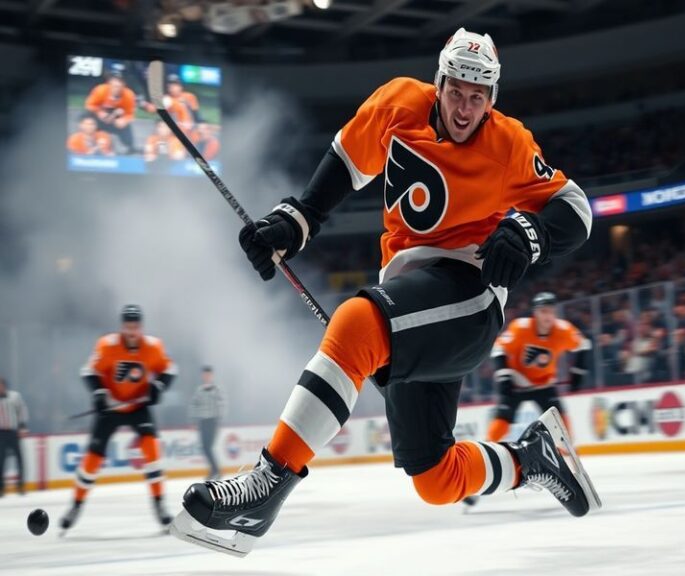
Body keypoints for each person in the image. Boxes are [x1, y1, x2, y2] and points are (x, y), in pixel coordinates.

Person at [171, 28, 600, 556]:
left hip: (469, 297)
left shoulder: (507, 143)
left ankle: (268, 482)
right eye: (456, 92)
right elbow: (346, 161)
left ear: (491, 99)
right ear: (439, 84)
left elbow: (576, 209)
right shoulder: (398, 104)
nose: (464, 108)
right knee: (436, 477)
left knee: (357, 322)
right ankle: (532, 458)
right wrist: (299, 220)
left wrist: (532, 234)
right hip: (416, 301)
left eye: (477, 97)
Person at [463, 292, 591, 506]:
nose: (547, 316)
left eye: (550, 311)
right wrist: (504, 376)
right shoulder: (521, 328)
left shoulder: (563, 330)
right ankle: (478, 479)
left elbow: (583, 345)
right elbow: (499, 349)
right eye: (543, 311)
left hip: (544, 386)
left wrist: (578, 370)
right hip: (516, 384)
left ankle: (576, 478)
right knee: (498, 429)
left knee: (562, 430)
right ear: (535, 313)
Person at [60, 305, 178, 532]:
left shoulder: (153, 347)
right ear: (122, 327)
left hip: (138, 406)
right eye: (128, 327)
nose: (132, 331)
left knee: (152, 450)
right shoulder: (107, 345)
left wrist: (158, 385)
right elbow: (88, 371)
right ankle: (75, 505)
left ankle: (160, 504)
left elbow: (170, 369)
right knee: (92, 460)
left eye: (135, 327)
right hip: (111, 407)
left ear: (141, 327)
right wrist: (98, 392)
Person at [84, 72, 137, 153]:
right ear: (109, 84)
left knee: (125, 126)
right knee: (88, 119)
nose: (116, 89)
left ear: (123, 86)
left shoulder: (129, 95)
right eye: (114, 86)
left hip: (117, 118)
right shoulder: (100, 90)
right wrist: (99, 112)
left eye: (119, 86)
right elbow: (89, 105)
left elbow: (130, 114)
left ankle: (130, 147)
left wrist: (125, 120)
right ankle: (88, 144)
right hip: (99, 116)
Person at [189, 366, 227, 480]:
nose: (206, 377)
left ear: (212, 376)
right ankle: (215, 470)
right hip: (202, 421)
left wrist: (219, 418)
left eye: (208, 375)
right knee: (205, 447)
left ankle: (216, 470)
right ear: (202, 376)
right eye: (205, 375)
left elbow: (222, 404)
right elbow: (193, 405)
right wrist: (194, 420)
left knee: (208, 447)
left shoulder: (217, 389)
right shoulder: (199, 390)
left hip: (212, 421)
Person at [0, 377, 28, 497]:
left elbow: (22, 411)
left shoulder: (14, 397)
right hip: (1, 433)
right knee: (1, 460)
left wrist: (22, 427)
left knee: (19, 458)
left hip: (13, 432)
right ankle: (1, 488)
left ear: (5, 385)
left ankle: (20, 485)